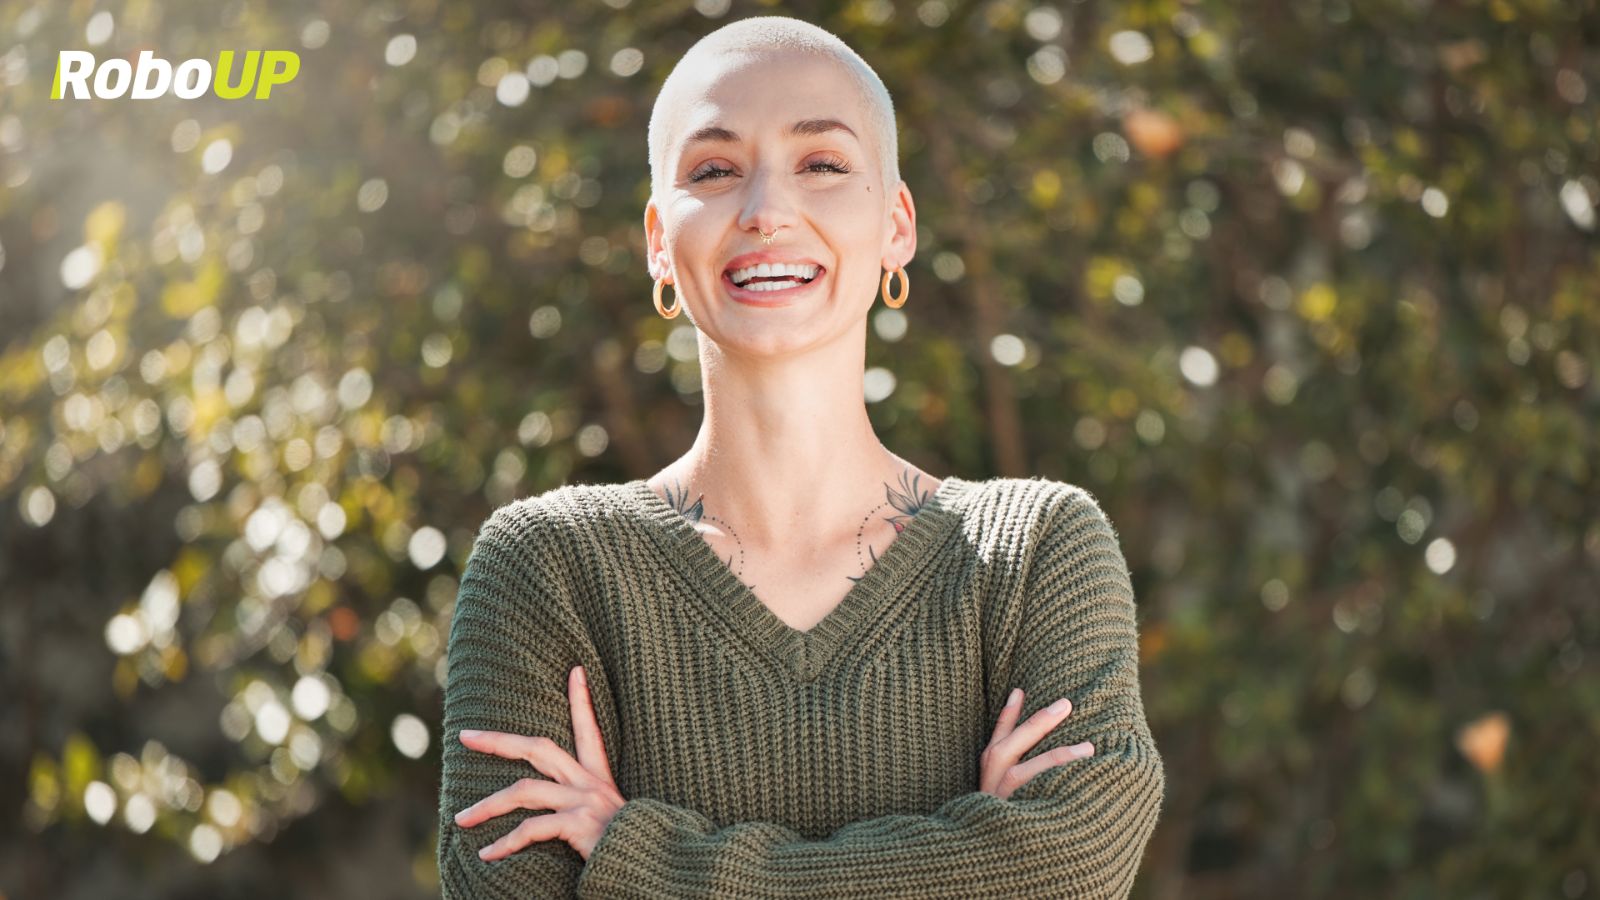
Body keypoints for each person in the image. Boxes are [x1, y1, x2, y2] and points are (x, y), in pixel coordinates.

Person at [436, 15, 1165, 898]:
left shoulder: (1038, 554)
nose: (767, 212)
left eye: (821, 164)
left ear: (896, 226)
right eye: (713, 170)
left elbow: (1068, 871)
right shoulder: (546, 570)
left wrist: (637, 859)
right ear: (659, 242)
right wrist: (970, 863)